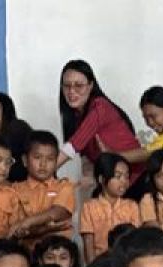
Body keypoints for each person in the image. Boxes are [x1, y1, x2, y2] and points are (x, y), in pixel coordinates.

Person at [56, 60, 144, 192]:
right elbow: (85, 157)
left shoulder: (100, 106)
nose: (71, 91)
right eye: (67, 86)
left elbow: (75, 144)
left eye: (79, 85)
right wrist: (89, 176)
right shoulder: (76, 116)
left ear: (91, 85)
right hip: (111, 185)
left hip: (136, 179)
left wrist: (46, 170)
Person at [8, 130, 76, 247]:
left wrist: (28, 221)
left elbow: (58, 212)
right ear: (25, 160)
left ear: (56, 162)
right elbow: (16, 229)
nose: (43, 164)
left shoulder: (64, 186)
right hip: (28, 253)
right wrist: (46, 229)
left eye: (50, 159)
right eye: (37, 157)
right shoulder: (14, 190)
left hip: (59, 254)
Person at [79, 153, 141, 260]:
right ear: (101, 179)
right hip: (101, 262)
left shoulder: (132, 206)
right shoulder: (89, 207)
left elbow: (136, 240)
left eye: (126, 177)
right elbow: (88, 243)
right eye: (118, 176)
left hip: (126, 261)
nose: (124, 181)